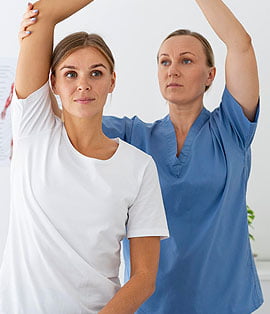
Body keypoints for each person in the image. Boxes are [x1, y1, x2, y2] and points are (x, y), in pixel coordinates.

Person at [20, 0, 263, 313]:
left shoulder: (231, 130)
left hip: (224, 303)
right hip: (151, 305)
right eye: (164, 62)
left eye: (186, 61)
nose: (172, 69)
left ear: (211, 75)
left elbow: (240, 45)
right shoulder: (134, 136)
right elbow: (66, 111)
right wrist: (35, 35)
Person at [0, 1, 170, 313]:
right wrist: (36, 23)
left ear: (112, 81)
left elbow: (145, 277)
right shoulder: (34, 129)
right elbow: (44, 13)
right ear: (53, 83)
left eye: (96, 73)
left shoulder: (139, 168)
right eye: (70, 74)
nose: (83, 84)